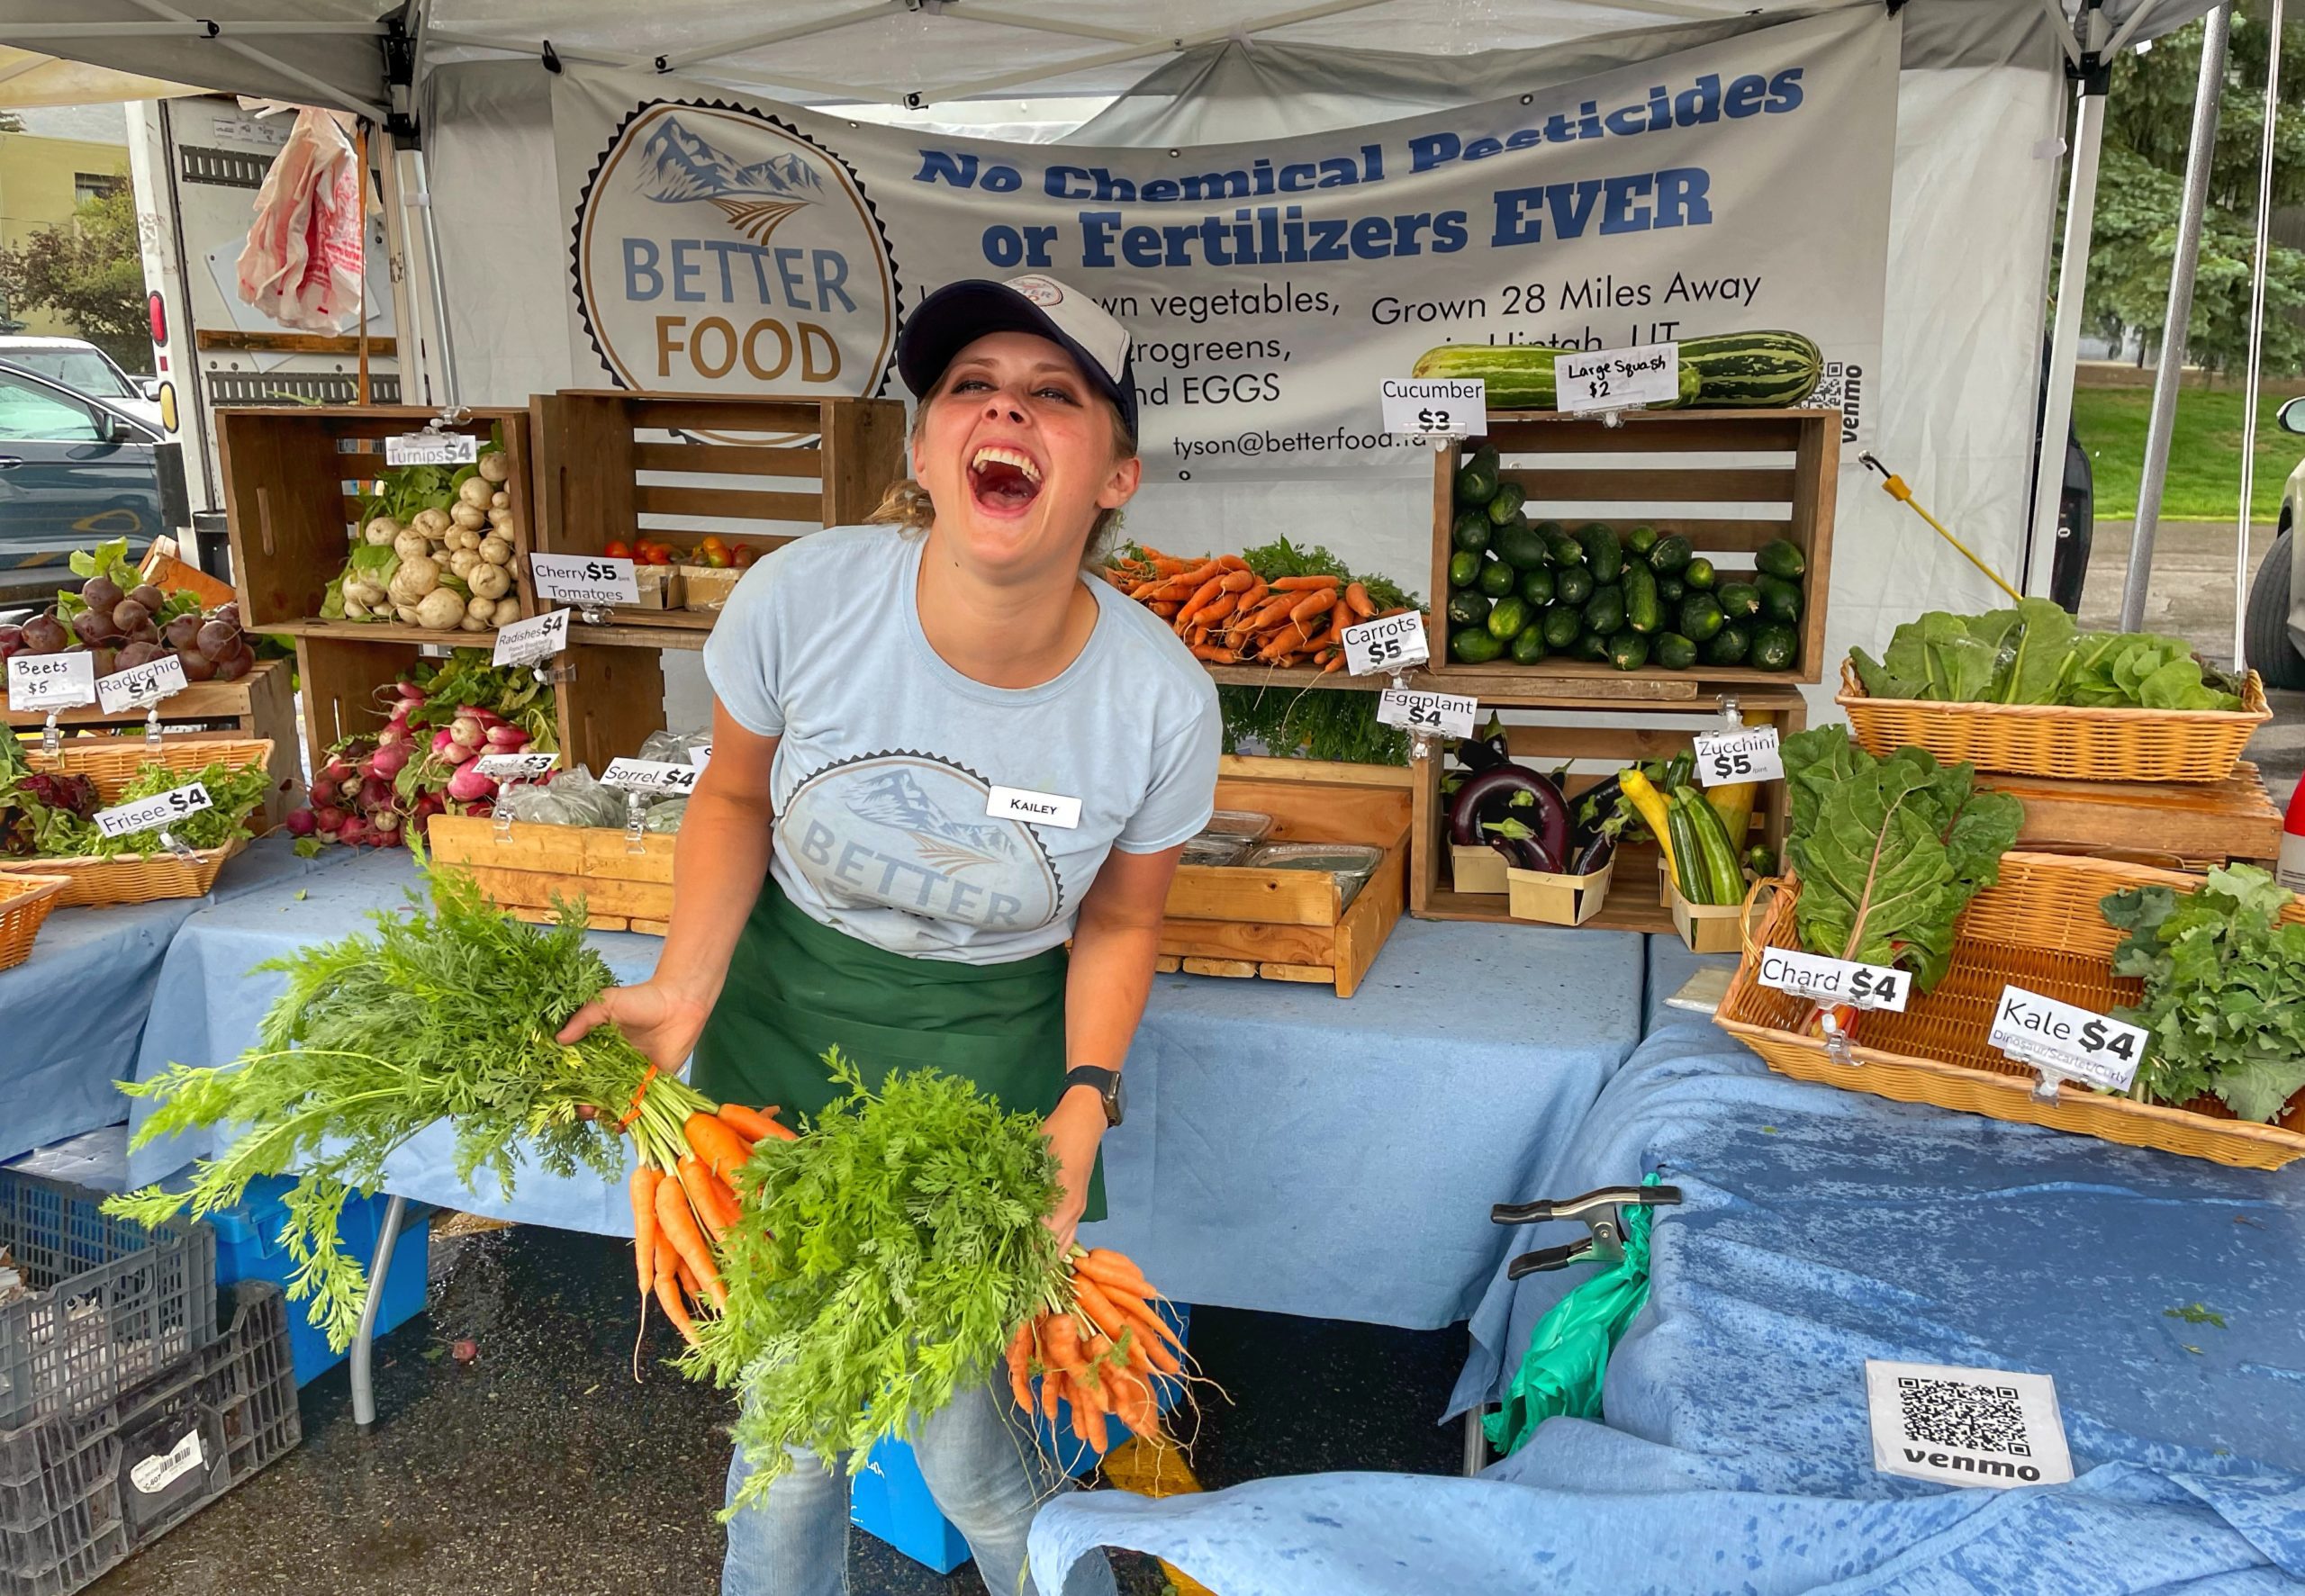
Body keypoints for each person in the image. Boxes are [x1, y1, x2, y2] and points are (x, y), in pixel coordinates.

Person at [557, 273, 1219, 1596]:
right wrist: (684, 985)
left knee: (970, 1446)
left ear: (1116, 475)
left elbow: (1124, 916)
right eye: (969, 387)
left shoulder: (1157, 698)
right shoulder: (802, 602)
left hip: (991, 1072)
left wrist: (1085, 1099)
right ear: (923, 452)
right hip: (782, 1034)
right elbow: (734, 791)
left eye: (1053, 394)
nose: (1004, 410)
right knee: (789, 1436)